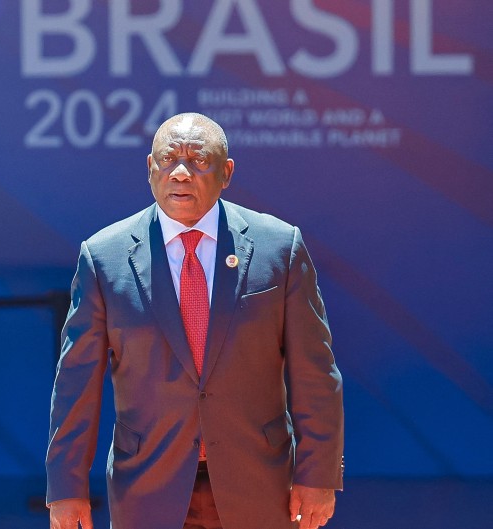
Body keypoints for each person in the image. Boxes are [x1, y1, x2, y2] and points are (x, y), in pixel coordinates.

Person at [46, 113, 343, 529]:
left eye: (199, 161)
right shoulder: (104, 257)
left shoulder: (280, 248)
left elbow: (316, 374)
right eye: (169, 161)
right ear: (150, 168)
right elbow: (76, 382)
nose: (181, 174)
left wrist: (317, 476)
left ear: (227, 172)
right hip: (148, 486)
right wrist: (66, 486)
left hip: (258, 483)